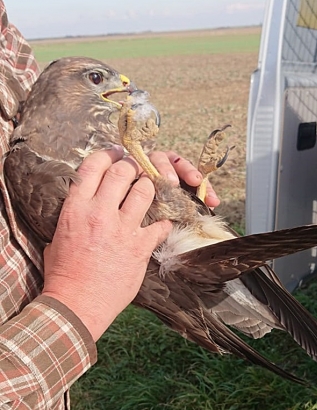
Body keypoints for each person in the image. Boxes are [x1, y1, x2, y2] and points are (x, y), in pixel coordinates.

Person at [0, 2, 220, 408]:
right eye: (98, 79)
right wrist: (77, 301)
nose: (120, 87)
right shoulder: (25, 163)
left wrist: (134, 166)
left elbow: (39, 103)